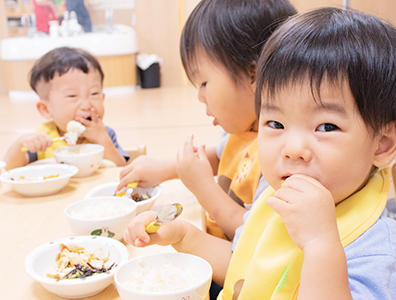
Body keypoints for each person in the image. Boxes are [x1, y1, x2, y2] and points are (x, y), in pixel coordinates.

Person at [124, 7, 396, 299]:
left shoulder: (378, 250)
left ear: (383, 144)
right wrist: (184, 236)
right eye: (275, 123)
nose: (293, 149)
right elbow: (243, 268)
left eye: (326, 126)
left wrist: (320, 244)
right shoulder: (272, 201)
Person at [118, 0, 296, 242]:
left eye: (203, 83)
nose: (200, 97)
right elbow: (225, 156)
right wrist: (164, 169)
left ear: (253, 74)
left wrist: (203, 188)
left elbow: (252, 237)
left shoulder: (284, 157)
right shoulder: (246, 129)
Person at [4, 47, 129, 170]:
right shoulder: (44, 136)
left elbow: (121, 169)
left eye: (94, 94)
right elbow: (10, 168)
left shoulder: (105, 133)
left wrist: (103, 140)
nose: (86, 105)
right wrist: (20, 144)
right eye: (72, 96)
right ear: (46, 109)